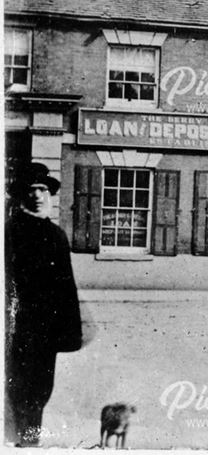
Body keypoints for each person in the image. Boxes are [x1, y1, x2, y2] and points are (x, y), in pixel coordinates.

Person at [5, 163, 82, 447]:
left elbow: (67, 288)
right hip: (18, 328)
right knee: (18, 386)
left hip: (46, 332)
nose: (38, 195)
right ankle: (22, 442)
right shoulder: (11, 232)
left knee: (40, 389)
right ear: (21, 196)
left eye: (43, 189)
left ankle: (29, 440)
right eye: (31, 189)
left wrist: (69, 333)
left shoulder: (57, 235)